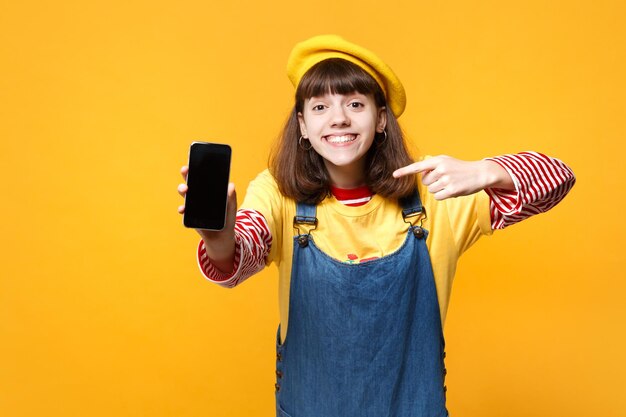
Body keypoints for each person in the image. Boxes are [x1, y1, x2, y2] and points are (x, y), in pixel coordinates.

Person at [177, 35, 575, 417]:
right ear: (301, 124)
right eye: (319, 107)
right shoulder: (277, 193)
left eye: (354, 103)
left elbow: (558, 178)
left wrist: (485, 172)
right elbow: (238, 259)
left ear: (381, 118)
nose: (338, 119)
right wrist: (220, 237)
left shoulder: (436, 194)